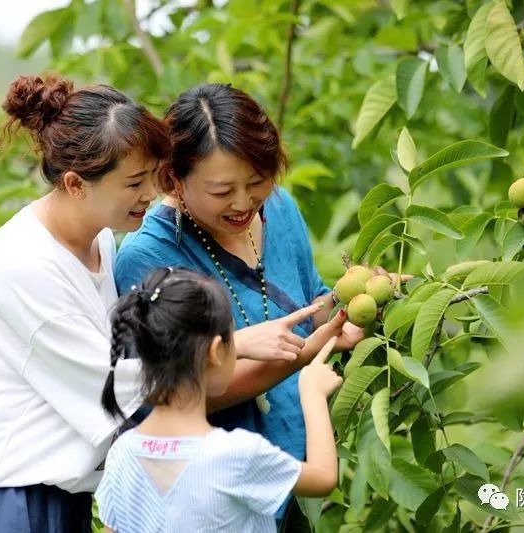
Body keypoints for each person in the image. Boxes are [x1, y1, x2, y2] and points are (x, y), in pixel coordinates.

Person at [113, 83, 376, 522]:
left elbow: (309, 301)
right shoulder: (147, 257)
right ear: (174, 179)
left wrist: (351, 300)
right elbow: (169, 391)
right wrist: (306, 356)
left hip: (293, 469)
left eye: (257, 181)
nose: (243, 203)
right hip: (215, 499)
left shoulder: (279, 207)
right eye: (220, 191)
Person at [0, 74, 172, 532]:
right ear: (76, 184)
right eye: (135, 182)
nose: (151, 194)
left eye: (153, 176)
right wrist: (239, 350)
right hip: (2, 498)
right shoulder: (25, 266)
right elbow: (121, 391)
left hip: (57, 493)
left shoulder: (101, 241)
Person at [95, 267, 342, 532]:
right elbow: (323, 477)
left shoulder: (123, 453)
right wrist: (312, 393)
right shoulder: (236, 455)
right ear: (216, 351)